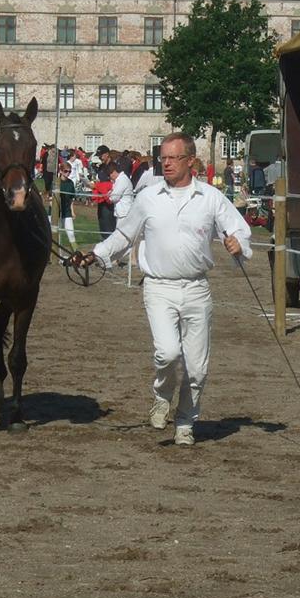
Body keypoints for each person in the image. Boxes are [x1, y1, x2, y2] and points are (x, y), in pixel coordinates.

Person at [73, 133, 252, 446]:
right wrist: (96, 253)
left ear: (190, 161)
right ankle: (162, 396)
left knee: (197, 368)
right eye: (163, 158)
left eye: (173, 158)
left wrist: (238, 244)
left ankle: (185, 422)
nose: (165, 163)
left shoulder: (210, 197)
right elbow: (124, 235)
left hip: (197, 288)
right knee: (167, 352)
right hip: (159, 287)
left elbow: (238, 229)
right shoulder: (149, 197)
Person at [57, 162, 78, 251]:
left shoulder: (70, 183)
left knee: (71, 233)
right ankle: (57, 256)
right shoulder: (56, 182)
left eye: (69, 171)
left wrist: (72, 211)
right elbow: (51, 198)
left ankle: (76, 254)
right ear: (61, 171)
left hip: (67, 211)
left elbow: (71, 199)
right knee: (57, 236)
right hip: (56, 212)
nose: (68, 173)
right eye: (66, 171)